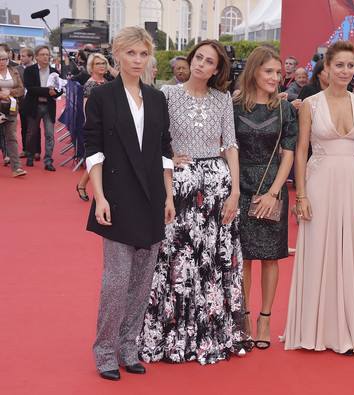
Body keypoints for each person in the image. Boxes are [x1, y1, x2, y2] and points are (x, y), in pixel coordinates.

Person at [139, 40, 248, 364]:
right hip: (180, 188)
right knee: (176, 258)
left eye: (209, 61)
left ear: (217, 69)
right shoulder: (167, 94)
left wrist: (236, 191)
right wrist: (170, 158)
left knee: (213, 260)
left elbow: (230, 145)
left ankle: (210, 332)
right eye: (198, 57)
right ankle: (173, 333)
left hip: (216, 187)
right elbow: (155, 138)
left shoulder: (222, 99)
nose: (201, 64)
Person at [84, 26, 175, 381]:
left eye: (143, 54)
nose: (138, 60)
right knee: (116, 280)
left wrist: (168, 195)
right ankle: (105, 351)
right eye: (131, 53)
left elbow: (164, 150)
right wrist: (100, 196)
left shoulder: (156, 99)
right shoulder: (103, 96)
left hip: (152, 196)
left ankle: (129, 347)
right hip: (117, 197)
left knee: (141, 281)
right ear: (117, 55)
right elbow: (93, 149)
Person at [284, 40, 354, 355]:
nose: (346, 71)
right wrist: (301, 195)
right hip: (319, 182)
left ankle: (347, 328)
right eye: (340, 65)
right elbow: (300, 150)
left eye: (351, 66)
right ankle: (314, 329)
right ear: (326, 68)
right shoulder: (310, 103)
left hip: (351, 183)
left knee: (350, 250)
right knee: (319, 249)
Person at [234, 46, 297, 350]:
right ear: (254, 72)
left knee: (271, 258)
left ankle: (265, 319)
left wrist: (274, 192)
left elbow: (289, 153)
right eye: (269, 71)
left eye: (278, 72)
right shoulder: (234, 106)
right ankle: (244, 317)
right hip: (241, 185)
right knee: (244, 257)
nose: (275, 77)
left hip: (273, 187)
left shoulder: (285, 109)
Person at [75, 53, 110, 201]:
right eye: (98, 64)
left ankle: (83, 184)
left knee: (101, 158)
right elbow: (87, 109)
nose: (101, 66)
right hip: (97, 127)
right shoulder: (91, 84)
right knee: (98, 158)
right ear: (91, 67)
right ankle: (84, 185)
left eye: (103, 63)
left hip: (109, 125)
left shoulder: (106, 81)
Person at [22, 45, 63, 171]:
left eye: (47, 54)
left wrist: (55, 93)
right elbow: (31, 88)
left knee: (50, 134)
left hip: (49, 106)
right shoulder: (30, 70)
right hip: (34, 105)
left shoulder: (54, 72)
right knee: (31, 133)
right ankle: (30, 156)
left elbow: (60, 89)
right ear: (37, 57)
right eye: (43, 54)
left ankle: (48, 160)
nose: (46, 57)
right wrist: (48, 91)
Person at [0, 49, 27, 177]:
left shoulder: (14, 71)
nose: (2, 62)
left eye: (4, 59)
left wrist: (9, 93)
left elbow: (21, 90)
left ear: (8, 60)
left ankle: (16, 168)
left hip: (11, 108)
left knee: (12, 137)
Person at [16, 47, 34, 157]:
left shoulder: (36, 68)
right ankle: (25, 149)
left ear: (30, 57)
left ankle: (36, 151)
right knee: (24, 126)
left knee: (34, 127)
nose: (21, 58)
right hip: (22, 101)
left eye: (23, 56)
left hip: (34, 101)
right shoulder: (17, 69)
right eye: (20, 56)